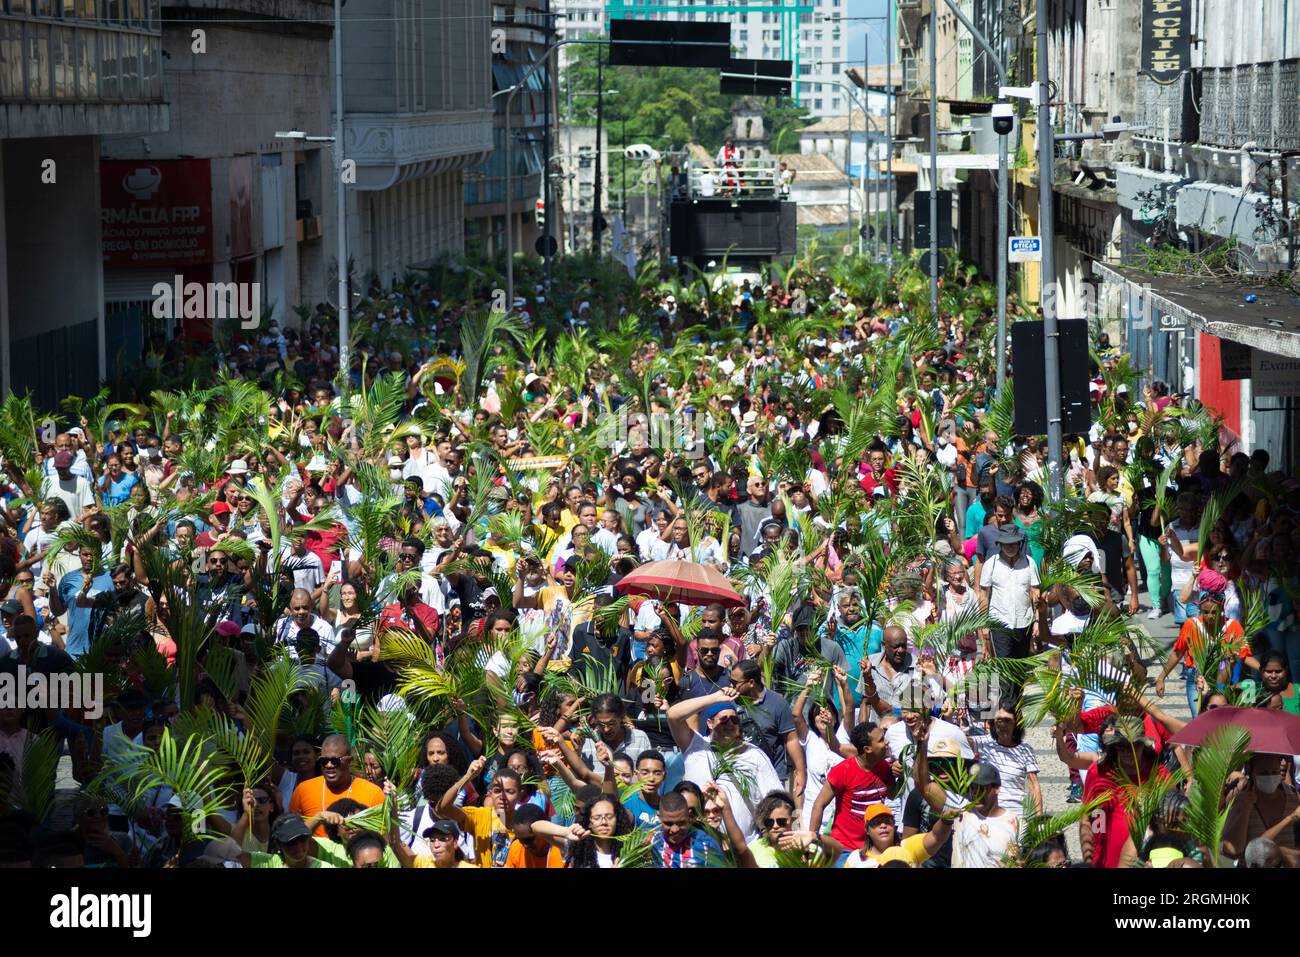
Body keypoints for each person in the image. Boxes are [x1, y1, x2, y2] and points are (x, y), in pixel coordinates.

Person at [667, 687, 784, 841]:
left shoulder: (753, 754)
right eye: (723, 719)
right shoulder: (695, 746)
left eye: (734, 719)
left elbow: (775, 799)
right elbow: (673, 715)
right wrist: (715, 698)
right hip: (697, 843)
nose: (730, 724)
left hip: (744, 847)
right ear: (709, 723)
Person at [807, 722, 897, 857]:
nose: (887, 742)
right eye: (881, 740)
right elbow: (819, 804)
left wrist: (899, 775)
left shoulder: (884, 767)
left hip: (876, 848)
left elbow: (892, 795)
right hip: (846, 849)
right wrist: (812, 839)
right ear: (867, 749)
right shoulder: (843, 771)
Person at [287, 734, 385, 837]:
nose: (329, 765)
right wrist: (317, 819)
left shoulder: (372, 792)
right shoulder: (303, 790)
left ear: (349, 761)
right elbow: (291, 834)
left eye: (335, 761)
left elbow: (383, 837)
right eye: (324, 761)